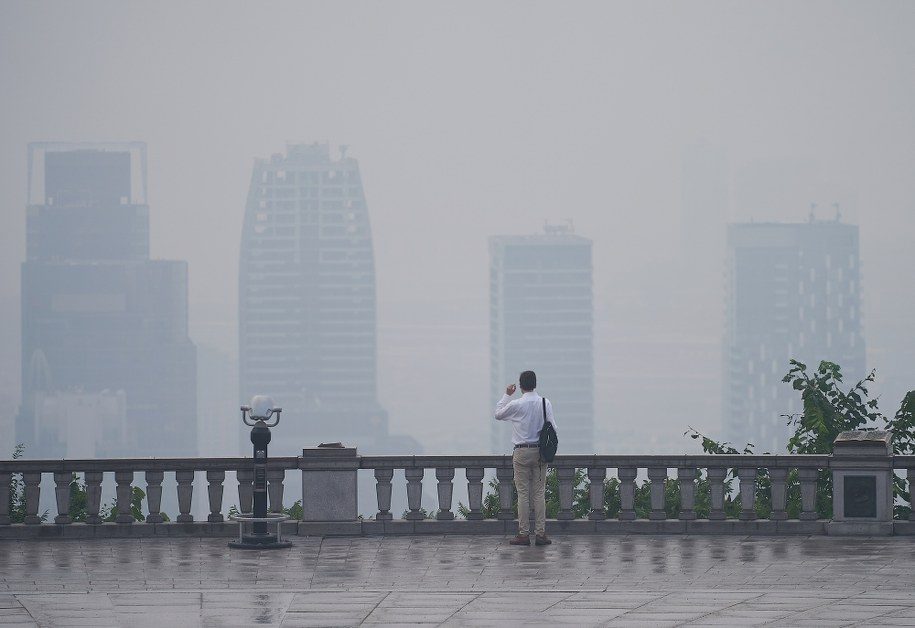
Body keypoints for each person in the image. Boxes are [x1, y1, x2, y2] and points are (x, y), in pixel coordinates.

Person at [494, 370, 557, 546]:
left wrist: (507, 395)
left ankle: (523, 534)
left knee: (523, 494)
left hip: (521, 451)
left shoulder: (516, 404)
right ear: (535, 384)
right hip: (539, 453)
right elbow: (552, 427)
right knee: (539, 493)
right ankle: (540, 534)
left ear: (521, 386)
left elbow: (498, 414)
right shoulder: (545, 403)